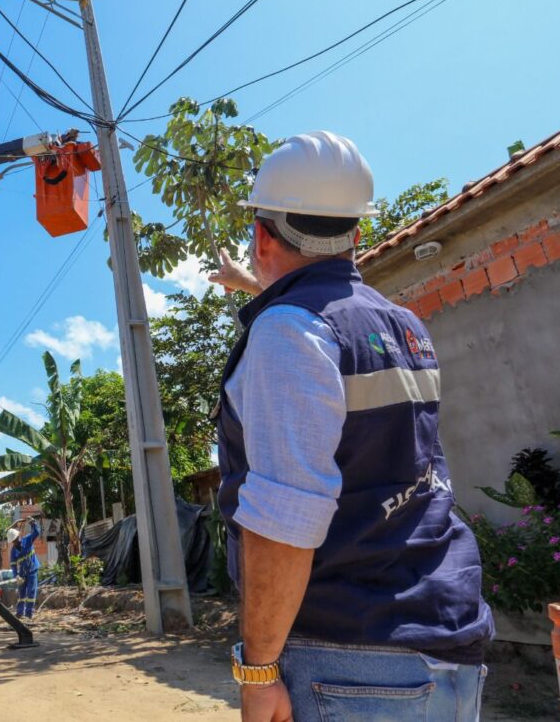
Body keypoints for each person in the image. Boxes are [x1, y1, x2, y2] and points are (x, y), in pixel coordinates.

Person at [210, 132, 494, 722]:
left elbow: (285, 522)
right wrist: (254, 283)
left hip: (351, 666)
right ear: (356, 235)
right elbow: (324, 311)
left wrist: (258, 672)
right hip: (445, 651)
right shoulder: (404, 325)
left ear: (263, 235)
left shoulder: (290, 333)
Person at [7, 517, 40, 619]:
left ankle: (29, 614)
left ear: (18, 537)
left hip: (32, 570)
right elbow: (13, 564)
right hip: (22, 573)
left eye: (15, 540)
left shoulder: (27, 540)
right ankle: (20, 612)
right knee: (22, 593)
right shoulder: (13, 551)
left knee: (31, 592)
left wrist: (33, 523)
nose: (15, 542)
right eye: (13, 541)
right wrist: (16, 575)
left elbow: (36, 533)